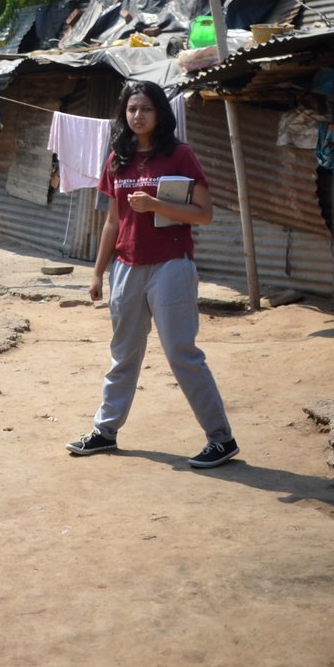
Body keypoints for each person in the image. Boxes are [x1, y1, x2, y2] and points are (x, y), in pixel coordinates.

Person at [66, 79, 240, 469]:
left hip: (170, 265)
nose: (137, 115)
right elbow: (112, 222)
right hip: (126, 266)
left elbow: (204, 214)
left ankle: (221, 438)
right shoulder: (117, 159)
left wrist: (154, 204)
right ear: (123, 115)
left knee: (182, 353)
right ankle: (105, 431)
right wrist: (97, 273)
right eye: (131, 109)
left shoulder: (179, 155)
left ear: (159, 112)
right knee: (122, 354)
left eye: (145, 108)